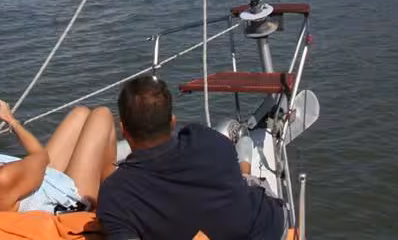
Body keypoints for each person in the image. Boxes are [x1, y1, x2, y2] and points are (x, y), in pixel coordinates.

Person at [96, 76, 287, 240]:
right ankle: (245, 158)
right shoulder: (206, 139)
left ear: (124, 130)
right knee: (244, 182)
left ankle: (245, 168)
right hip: (266, 228)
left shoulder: (116, 194)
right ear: (172, 121)